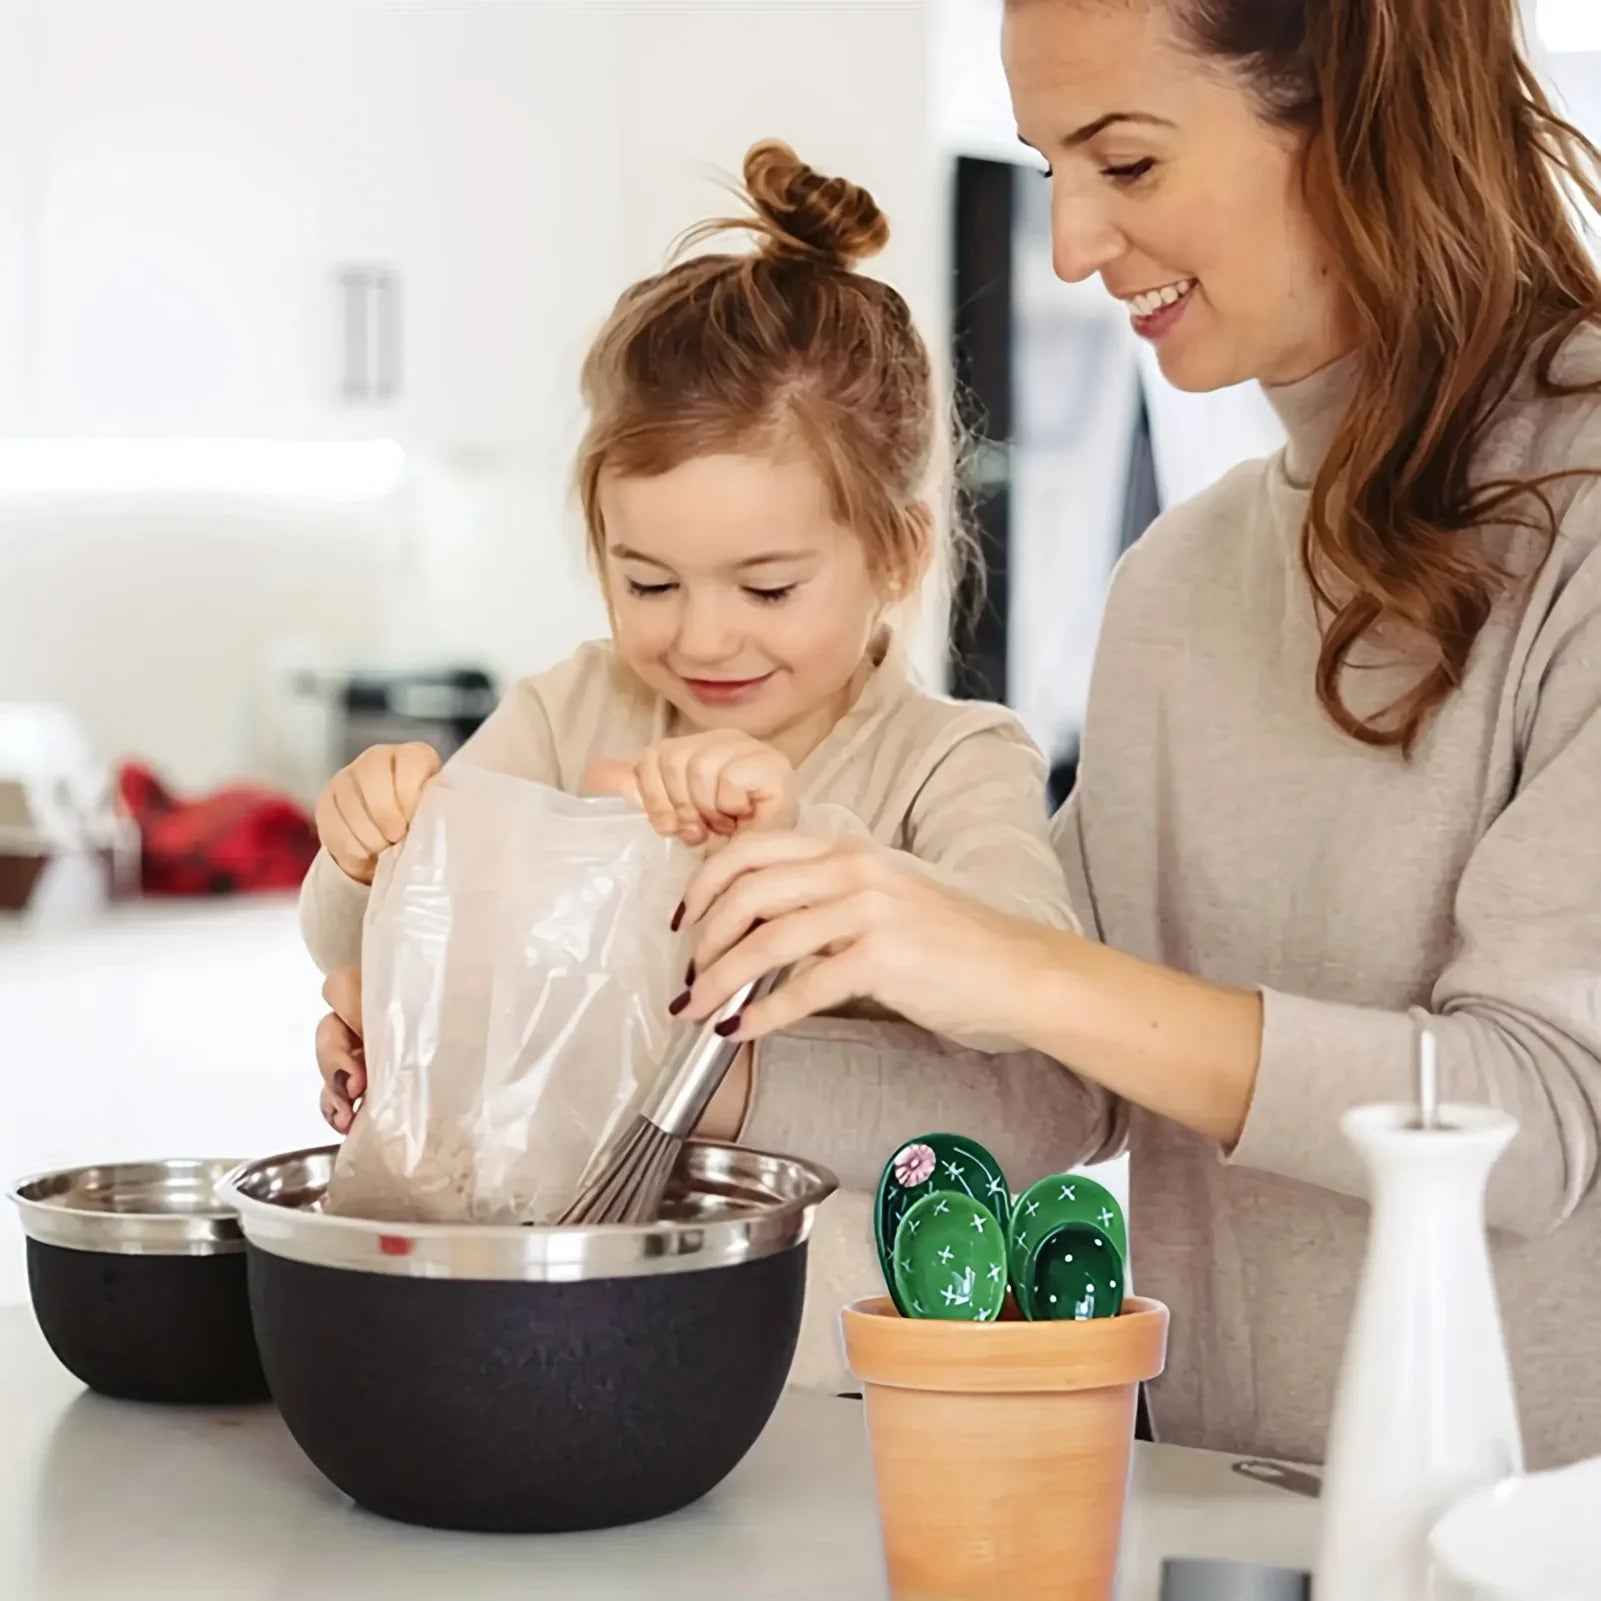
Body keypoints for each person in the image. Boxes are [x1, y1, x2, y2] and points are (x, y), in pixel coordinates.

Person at [674, 0, 1601, 1469]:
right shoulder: (1181, 580)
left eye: (1127, 161)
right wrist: (676, 1062)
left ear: (1357, 109)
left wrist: (1018, 961)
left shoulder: (1585, 525)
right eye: (1053, 168)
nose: (1071, 245)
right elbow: (1050, 1088)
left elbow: (1538, 1112)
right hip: (1227, 1525)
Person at [300, 140, 1076, 1390]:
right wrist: (369, 846)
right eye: (644, 580)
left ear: (897, 554)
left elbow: (1031, 1038)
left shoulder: (954, 762)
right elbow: (355, 939)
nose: (698, 636)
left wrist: (802, 853)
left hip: (838, 1382)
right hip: (549, 1342)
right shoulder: (573, 708)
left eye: (766, 586)